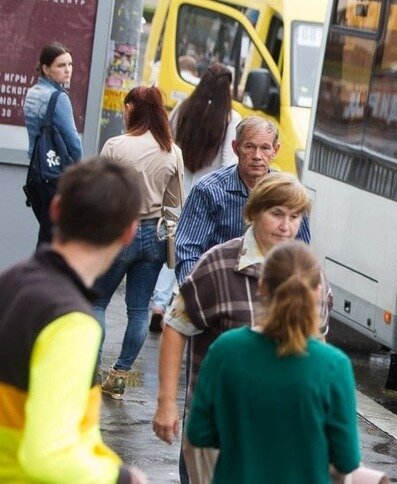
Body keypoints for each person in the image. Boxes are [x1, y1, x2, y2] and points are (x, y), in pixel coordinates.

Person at [153, 172, 326, 483]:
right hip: (219, 431)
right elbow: (176, 327)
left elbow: (318, 352)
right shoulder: (219, 264)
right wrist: (166, 403)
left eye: (295, 216)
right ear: (253, 213)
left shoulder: (310, 274)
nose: (286, 226)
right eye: (276, 214)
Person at [0, 157, 146, 483]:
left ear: (55, 209)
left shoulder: (9, 282)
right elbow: (49, 456)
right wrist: (123, 478)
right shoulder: (71, 323)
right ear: (129, 232)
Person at [185, 241, 359, 482]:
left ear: (262, 287)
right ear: (319, 291)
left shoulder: (225, 351)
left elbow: (199, 433)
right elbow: (347, 459)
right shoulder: (333, 366)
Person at [93, 86, 184, 399]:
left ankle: (91, 371)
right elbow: (174, 201)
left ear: (132, 108)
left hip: (119, 229)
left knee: (97, 302)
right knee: (139, 310)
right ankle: (119, 376)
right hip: (154, 236)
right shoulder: (172, 151)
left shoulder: (116, 146)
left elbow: (99, 193)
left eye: (125, 105)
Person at [149, 63, 241, 331]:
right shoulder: (229, 119)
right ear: (228, 88)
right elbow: (227, 161)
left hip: (179, 186)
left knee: (172, 245)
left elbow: (170, 144)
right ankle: (182, 303)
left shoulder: (183, 108)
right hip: (208, 193)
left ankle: (158, 302)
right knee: (195, 249)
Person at [172, 116, 310, 285]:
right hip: (218, 287)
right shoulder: (208, 190)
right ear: (236, 148)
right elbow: (187, 251)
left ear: (276, 150)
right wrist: (197, 295)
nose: (257, 156)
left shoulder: (288, 193)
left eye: (265, 148)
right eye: (250, 147)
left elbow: (300, 252)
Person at [23, 42, 83, 246]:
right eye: (60, 65)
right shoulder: (58, 97)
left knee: (47, 233)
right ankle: (39, 277)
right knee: (52, 239)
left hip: (37, 172)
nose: (67, 70)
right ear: (46, 68)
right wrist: (79, 170)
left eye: (70, 64)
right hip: (56, 176)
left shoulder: (32, 93)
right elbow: (73, 141)